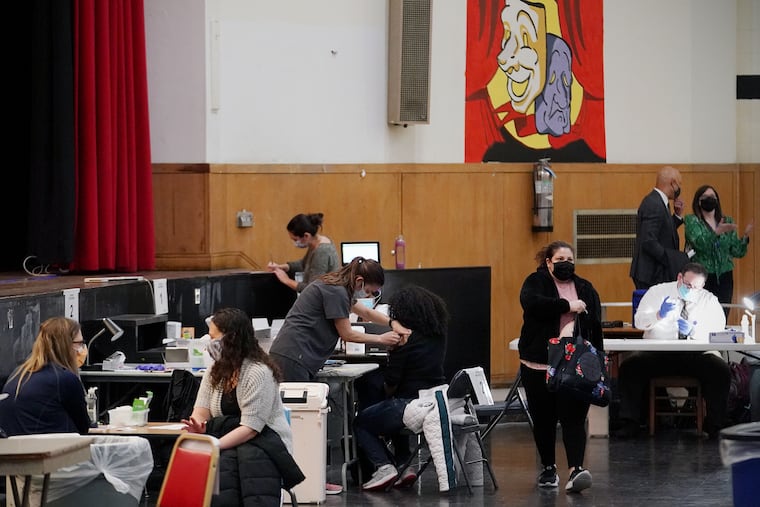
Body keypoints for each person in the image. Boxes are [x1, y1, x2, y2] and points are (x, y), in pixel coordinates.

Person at [268, 257, 409, 495]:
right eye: (371, 290)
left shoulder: (337, 287)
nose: (371, 295)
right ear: (360, 280)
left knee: (305, 422)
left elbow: (363, 311)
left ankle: (309, 479)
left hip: (297, 358)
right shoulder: (335, 291)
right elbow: (347, 333)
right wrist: (382, 339)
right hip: (293, 358)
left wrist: (393, 323)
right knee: (300, 423)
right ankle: (305, 482)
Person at [182, 308, 303, 506]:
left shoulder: (258, 372)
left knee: (232, 462)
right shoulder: (214, 370)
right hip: (227, 436)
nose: (208, 343)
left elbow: (251, 428)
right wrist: (197, 428)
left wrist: (215, 445)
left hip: (265, 440)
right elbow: (201, 410)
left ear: (232, 338)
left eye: (213, 337)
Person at [518, 240, 604, 493]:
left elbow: (596, 325)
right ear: (548, 262)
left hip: (575, 366)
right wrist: (568, 306)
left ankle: (575, 469)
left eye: (569, 260)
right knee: (544, 419)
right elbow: (533, 304)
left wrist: (598, 361)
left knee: (574, 418)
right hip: (539, 365)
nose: (566, 264)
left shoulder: (585, 288)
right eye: (560, 260)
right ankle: (548, 468)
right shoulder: (536, 283)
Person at [615, 262, 729, 439]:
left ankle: (715, 425)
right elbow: (639, 322)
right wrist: (658, 315)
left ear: (703, 286)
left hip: (695, 355)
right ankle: (630, 423)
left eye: (696, 287)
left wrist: (694, 331)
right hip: (658, 353)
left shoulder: (709, 300)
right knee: (630, 367)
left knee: (719, 370)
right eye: (688, 285)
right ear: (679, 277)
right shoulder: (657, 292)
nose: (691, 290)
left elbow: (718, 329)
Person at [353, 285, 449, 491]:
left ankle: (384, 466)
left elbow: (391, 383)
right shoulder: (438, 334)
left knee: (362, 422)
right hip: (434, 399)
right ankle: (404, 464)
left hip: (409, 403)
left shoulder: (403, 339)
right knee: (391, 412)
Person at [0, 317, 91, 436]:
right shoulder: (64, 379)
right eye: (79, 343)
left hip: (15, 449)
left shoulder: (18, 373)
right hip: (52, 448)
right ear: (65, 345)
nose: (81, 349)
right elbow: (83, 427)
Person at [684, 185, 752, 319]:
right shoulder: (692, 221)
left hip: (724, 277)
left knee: (722, 316)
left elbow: (736, 251)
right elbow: (700, 244)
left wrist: (744, 238)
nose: (710, 200)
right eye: (706, 197)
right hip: (701, 277)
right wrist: (716, 233)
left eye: (713, 197)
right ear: (699, 201)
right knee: (701, 316)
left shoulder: (727, 221)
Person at [630, 166, 689, 290]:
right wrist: (672, 259)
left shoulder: (659, 202)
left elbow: (661, 231)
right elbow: (649, 240)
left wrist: (677, 216)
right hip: (651, 273)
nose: (679, 188)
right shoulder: (654, 203)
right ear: (672, 183)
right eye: (679, 184)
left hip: (654, 272)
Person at [267, 212, 340, 293]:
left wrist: (286, 280)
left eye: (295, 239)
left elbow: (313, 289)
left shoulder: (321, 252)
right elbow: (304, 264)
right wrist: (282, 267)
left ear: (306, 236)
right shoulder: (316, 243)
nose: (295, 243)